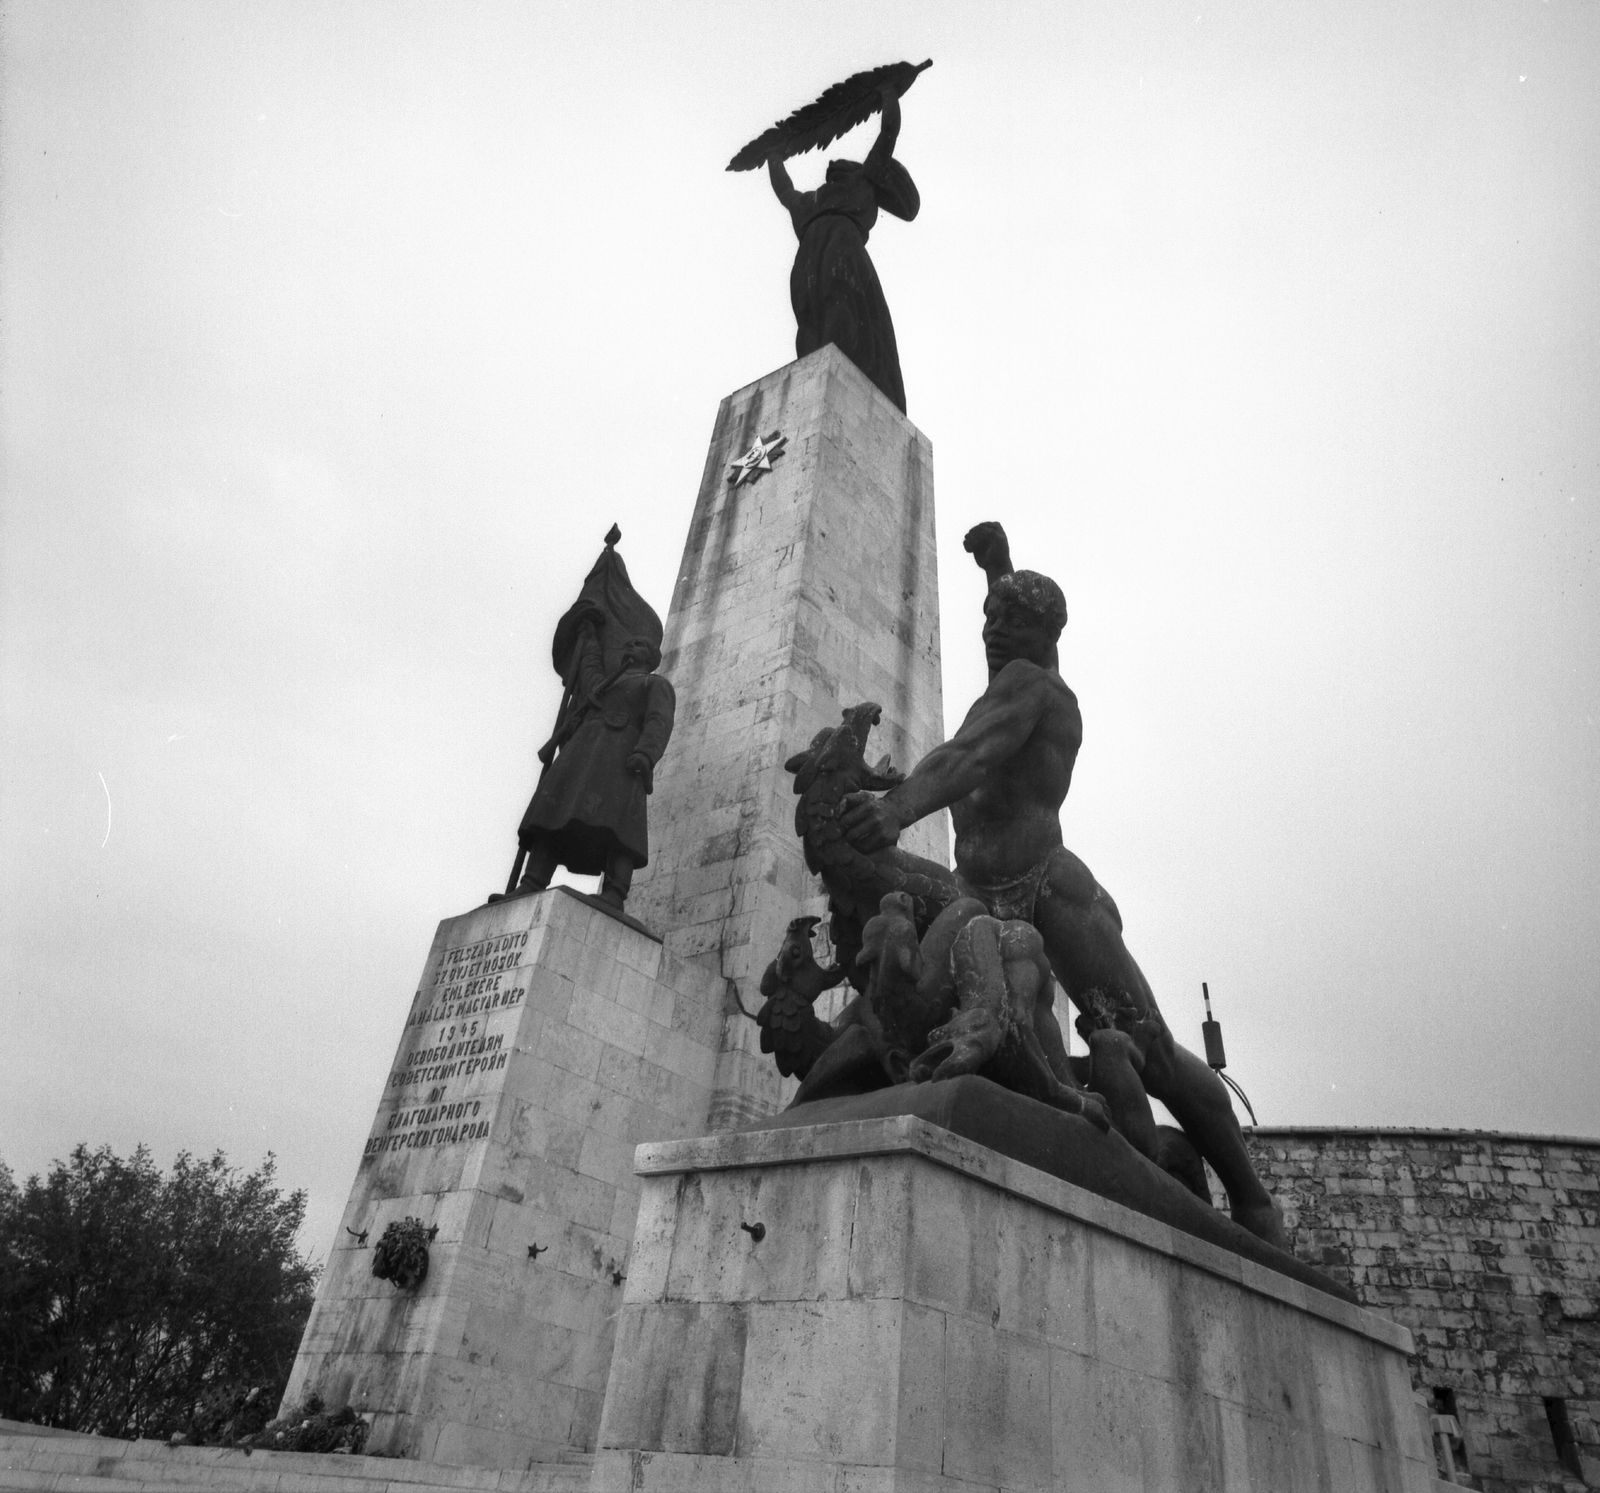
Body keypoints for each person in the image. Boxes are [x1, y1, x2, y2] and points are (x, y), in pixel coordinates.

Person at [838, 521, 1287, 1248]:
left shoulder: (1038, 693)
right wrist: (999, 572)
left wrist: (895, 809)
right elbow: (1010, 654)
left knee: (1155, 1050)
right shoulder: (1016, 673)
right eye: (987, 621)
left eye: (1005, 624)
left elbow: (972, 755)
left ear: (1040, 636)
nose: (990, 634)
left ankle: (1252, 1196)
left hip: (1050, 887)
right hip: (979, 893)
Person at [506, 531, 675, 910]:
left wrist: (645, 755)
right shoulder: (609, 682)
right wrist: (588, 633)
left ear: (647, 655)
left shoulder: (654, 684)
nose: (627, 647)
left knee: (619, 828)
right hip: (584, 750)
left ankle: (614, 894)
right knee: (554, 811)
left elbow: (659, 723)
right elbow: (591, 670)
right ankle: (532, 881)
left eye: (634, 645)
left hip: (619, 758)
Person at [767, 87, 920, 413]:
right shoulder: (810, 202)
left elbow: (888, 131)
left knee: (841, 306)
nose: (834, 163)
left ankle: (841, 373)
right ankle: (812, 376)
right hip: (810, 255)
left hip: (842, 247)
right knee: (809, 317)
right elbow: (784, 189)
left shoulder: (863, 182)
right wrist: (773, 157)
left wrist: (887, 92)